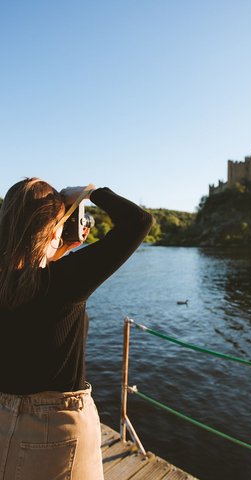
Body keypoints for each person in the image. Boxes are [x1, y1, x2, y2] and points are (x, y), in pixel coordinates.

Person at [0, 177, 153, 480]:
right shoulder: (64, 283)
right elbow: (139, 222)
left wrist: (57, 246)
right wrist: (89, 193)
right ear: (52, 232)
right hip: (57, 431)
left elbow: (27, 269)